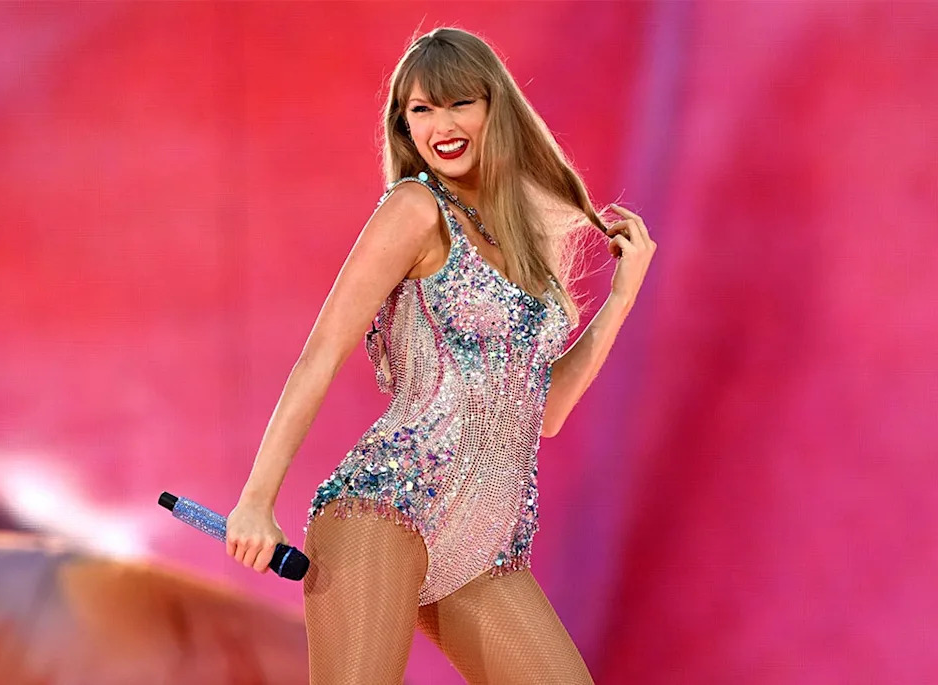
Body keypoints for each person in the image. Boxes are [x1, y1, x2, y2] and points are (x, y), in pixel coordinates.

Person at [225, 26, 656, 684]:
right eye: (421, 109)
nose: (441, 126)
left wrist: (620, 300)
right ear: (405, 125)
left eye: (459, 103)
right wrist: (257, 500)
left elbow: (546, 412)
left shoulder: (521, 243)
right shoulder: (416, 208)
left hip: (484, 542)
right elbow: (321, 353)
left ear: (494, 108)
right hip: (385, 507)